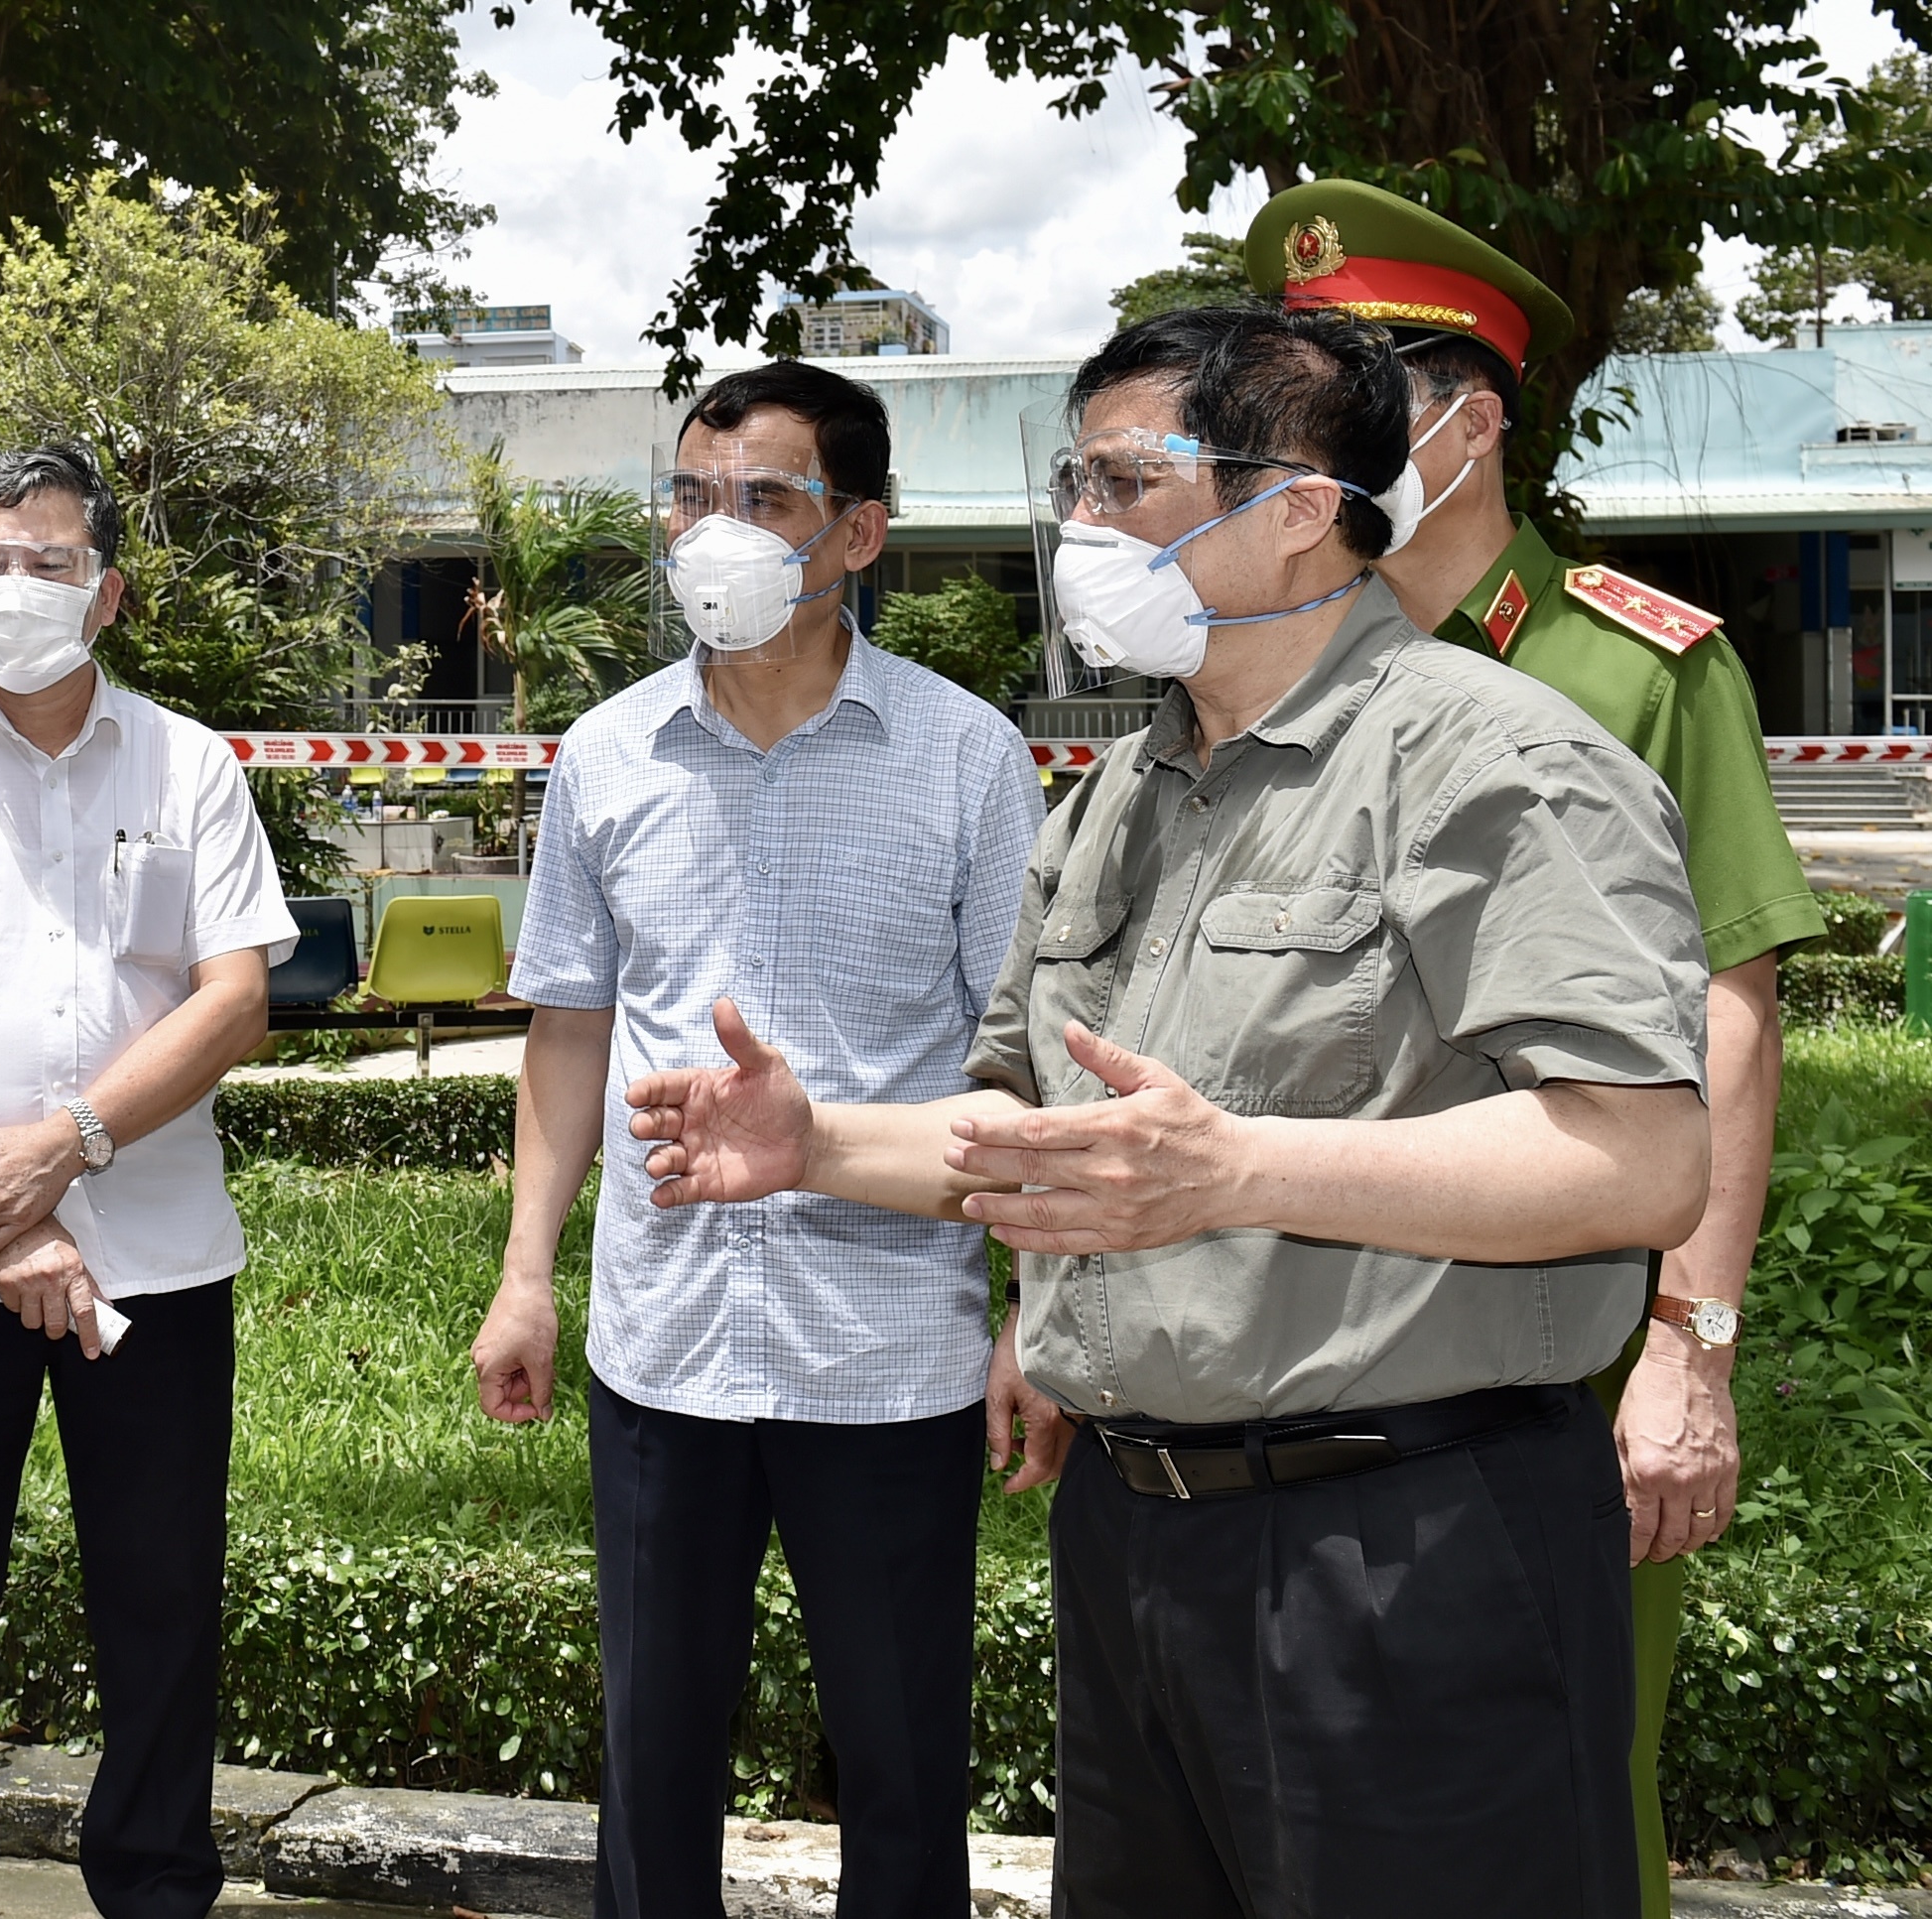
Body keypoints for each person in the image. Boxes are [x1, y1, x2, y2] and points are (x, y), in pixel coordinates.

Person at [623, 307, 1715, 1918]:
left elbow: (1639, 1154)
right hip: (1137, 1537)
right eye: (1070, 480)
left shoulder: (1489, 759)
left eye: (1124, 481)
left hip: (1403, 1547)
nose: (1078, 525)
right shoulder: (1126, 792)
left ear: (1294, 510)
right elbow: (1031, 1129)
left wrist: (1234, 1169)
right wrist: (819, 1145)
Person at [1243, 179, 1824, 1914]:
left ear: (1469, 416)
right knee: (1298, 1801)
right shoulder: (1270, 672)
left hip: (1549, 1354)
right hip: (1299, 1344)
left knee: (1561, 1800)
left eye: (1355, 395)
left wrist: (1691, 1345)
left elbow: (1730, 1008)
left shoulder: (1636, 669)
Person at [468, 359, 1046, 1919]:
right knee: (652, 1761)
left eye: (764, 502)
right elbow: (570, 1025)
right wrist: (529, 1272)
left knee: (905, 1765)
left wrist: (1035, 1313)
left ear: (857, 533)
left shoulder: (967, 758)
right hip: (659, 1344)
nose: (713, 533)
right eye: (690, 497)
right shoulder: (604, 756)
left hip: (891, 1350)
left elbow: (1020, 1061)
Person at [0, 443, 299, 1919]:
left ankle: (153, 1882)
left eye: (49, 561)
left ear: (108, 594)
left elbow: (230, 1002)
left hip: (153, 1257)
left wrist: (62, 1147)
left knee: (159, 1601)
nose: (12, 586)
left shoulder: (189, 763)